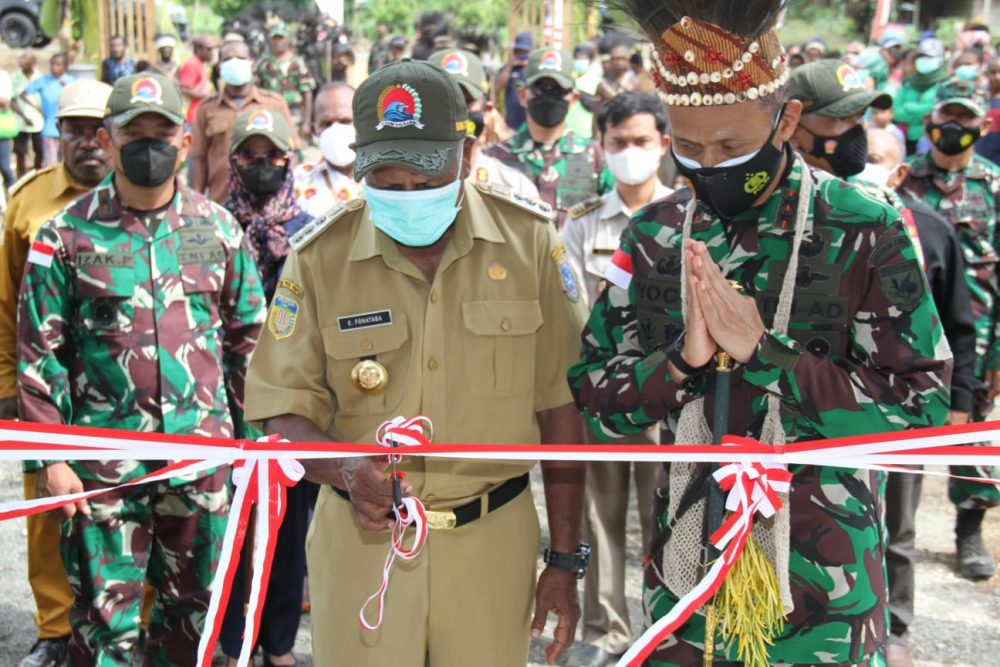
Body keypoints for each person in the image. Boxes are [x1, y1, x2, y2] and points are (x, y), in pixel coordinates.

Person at [569, 3, 951, 667]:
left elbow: (922, 411)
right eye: (689, 149)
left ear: (787, 122)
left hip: (824, 598)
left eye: (730, 148)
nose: (708, 165)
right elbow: (595, 399)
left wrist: (768, 356)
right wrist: (681, 363)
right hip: (686, 581)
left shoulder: (865, 229)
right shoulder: (656, 235)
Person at [243, 59, 588, 667]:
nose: (407, 197)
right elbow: (281, 411)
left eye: (426, 181)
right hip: (362, 545)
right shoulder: (320, 258)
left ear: (465, 151)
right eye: (387, 182)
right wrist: (343, 466)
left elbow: (563, 407)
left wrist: (564, 560)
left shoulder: (530, 242)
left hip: (492, 544)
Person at [16, 72, 265, 666]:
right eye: (134, 133)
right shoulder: (65, 236)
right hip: (102, 475)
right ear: (108, 140)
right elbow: (38, 355)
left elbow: (249, 345)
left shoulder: (220, 230)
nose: (148, 144)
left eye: (163, 132)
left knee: (198, 617)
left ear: (184, 142)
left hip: (200, 464)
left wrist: (254, 450)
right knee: (106, 625)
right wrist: (51, 459)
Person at [0, 78, 112, 667]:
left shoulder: (145, 194)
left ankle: (131, 623)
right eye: (74, 130)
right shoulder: (28, 200)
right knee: (48, 512)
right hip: (45, 388)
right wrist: (4, 388)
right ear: (57, 134)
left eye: (98, 130)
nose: (88, 142)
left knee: (125, 505)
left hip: (120, 385)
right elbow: (4, 302)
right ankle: (54, 630)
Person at [858, 126, 978, 667]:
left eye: (877, 159)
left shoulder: (931, 230)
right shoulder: (827, 228)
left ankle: (896, 628)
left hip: (906, 408)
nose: (865, 169)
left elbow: (960, 324)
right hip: (844, 405)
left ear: (901, 171)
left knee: (899, 523)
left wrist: (961, 403)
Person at [560, 91, 672, 667]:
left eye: (642, 142)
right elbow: (574, 310)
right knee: (599, 517)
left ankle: (667, 625)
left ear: (665, 146)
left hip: (671, 397)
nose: (631, 153)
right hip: (603, 396)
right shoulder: (580, 226)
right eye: (619, 143)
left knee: (671, 516)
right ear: (601, 149)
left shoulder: (688, 218)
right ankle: (603, 630)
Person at [219, 108, 315, 667]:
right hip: (227, 412)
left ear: (288, 160)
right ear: (233, 161)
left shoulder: (311, 230)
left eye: (271, 155)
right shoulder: (207, 225)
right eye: (249, 155)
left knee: (287, 527)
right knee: (232, 531)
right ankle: (234, 640)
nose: (261, 166)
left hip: (294, 405)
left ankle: (278, 644)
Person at [899, 77, 1000, 582]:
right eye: (947, 120)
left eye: (965, 121)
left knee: (973, 431)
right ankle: (896, 534)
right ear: (929, 124)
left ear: (982, 126)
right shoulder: (902, 182)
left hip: (975, 336)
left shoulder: (994, 186)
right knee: (899, 430)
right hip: (911, 333)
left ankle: (968, 529)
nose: (955, 130)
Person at [484, 48, 614, 228]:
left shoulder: (595, 157)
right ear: (522, 95)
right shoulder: (494, 158)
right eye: (540, 89)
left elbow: (611, 221)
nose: (549, 96)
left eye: (558, 90)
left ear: (574, 99)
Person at [190, 40, 298, 204]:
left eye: (240, 58)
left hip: (269, 204)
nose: (234, 63)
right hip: (222, 202)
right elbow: (198, 159)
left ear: (252, 64)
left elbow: (292, 152)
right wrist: (195, 203)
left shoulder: (274, 104)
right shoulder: (207, 109)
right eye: (227, 59)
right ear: (219, 66)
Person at [428, 48, 537, 197]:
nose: (453, 110)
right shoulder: (399, 183)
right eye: (441, 100)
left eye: (465, 100)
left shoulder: (514, 187)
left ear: (487, 109)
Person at [787, 59, 892, 180]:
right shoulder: (773, 193)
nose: (858, 126)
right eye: (842, 118)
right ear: (792, 129)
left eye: (861, 115)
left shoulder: (869, 187)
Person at [293, 82, 360, 216]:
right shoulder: (298, 182)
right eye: (326, 124)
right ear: (314, 130)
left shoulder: (387, 176)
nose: (336, 130)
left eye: (345, 121)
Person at [254, 22, 316, 138]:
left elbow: (307, 92)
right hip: (268, 114)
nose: (278, 41)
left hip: (294, 115)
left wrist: (307, 123)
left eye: (281, 38)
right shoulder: (262, 63)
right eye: (274, 38)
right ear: (269, 40)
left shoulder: (298, 63)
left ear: (288, 39)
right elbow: (254, 89)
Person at [895, 38, 950, 154]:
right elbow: (896, 111)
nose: (924, 60)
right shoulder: (909, 81)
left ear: (940, 59)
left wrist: (909, 107)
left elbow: (939, 111)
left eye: (929, 57)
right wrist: (922, 113)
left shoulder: (946, 84)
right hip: (905, 139)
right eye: (921, 57)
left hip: (931, 140)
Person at [20, 54, 74, 167]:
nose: (55, 67)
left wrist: (67, 88)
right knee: (51, 163)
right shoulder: (44, 80)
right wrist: (38, 109)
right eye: (53, 64)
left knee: (67, 162)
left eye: (58, 65)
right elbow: (23, 94)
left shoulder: (70, 81)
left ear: (64, 66)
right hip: (50, 127)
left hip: (68, 127)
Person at [11, 52, 44, 177]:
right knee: (20, 152)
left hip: (39, 121)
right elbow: (12, 100)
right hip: (20, 121)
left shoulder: (40, 77)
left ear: (33, 62)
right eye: (21, 58)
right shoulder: (14, 77)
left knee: (39, 151)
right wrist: (24, 117)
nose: (22, 61)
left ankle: (38, 175)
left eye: (25, 59)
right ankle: (21, 177)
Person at [494, 31, 533, 131]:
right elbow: (497, 87)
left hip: (530, 124)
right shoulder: (508, 68)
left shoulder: (533, 69)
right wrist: (511, 64)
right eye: (519, 52)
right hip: (511, 125)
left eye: (525, 52)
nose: (522, 55)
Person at [178, 36, 215, 126]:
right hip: (192, 117)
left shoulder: (199, 64)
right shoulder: (192, 64)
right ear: (198, 49)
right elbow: (183, 89)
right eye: (209, 49)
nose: (212, 53)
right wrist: (207, 97)